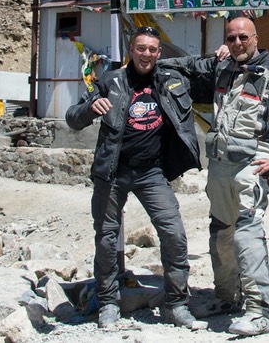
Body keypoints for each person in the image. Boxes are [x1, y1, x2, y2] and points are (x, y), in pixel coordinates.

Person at [159, 17, 269, 336]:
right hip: (219, 163)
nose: (237, 43)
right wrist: (211, 56)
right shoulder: (221, 67)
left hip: (253, 161)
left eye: (243, 37)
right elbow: (171, 65)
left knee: (247, 231)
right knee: (221, 232)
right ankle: (227, 298)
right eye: (231, 38)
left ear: (255, 38)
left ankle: (260, 310)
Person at [65, 26, 203, 330]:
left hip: (152, 172)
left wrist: (221, 53)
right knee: (106, 238)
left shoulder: (167, 79)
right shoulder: (111, 81)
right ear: (132, 50)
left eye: (153, 49)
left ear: (159, 53)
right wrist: (90, 108)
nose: (147, 54)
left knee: (175, 234)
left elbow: (201, 69)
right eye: (141, 48)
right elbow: (72, 117)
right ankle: (109, 304)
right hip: (113, 172)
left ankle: (176, 305)